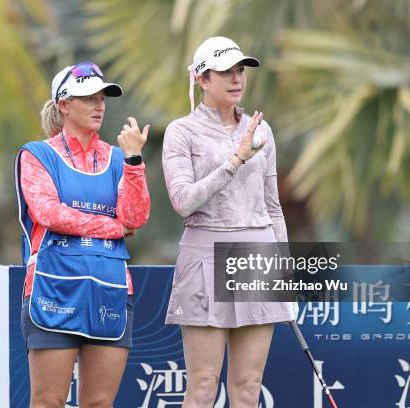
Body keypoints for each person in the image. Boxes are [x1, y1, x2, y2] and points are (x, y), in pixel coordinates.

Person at [162, 37, 296, 407]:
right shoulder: (181, 131)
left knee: (248, 386)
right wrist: (235, 160)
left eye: (241, 71)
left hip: (258, 253)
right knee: (204, 385)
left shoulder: (261, 130)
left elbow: (273, 206)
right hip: (205, 250)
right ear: (202, 79)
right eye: (226, 72)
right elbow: (183, 201)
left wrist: (284, 270)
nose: (237, 79)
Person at [15, 62, 150, 408]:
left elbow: (136, 217)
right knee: (48, 401)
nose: (99, 105)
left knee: (100, 404)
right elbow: (49, 214)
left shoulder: (120, 158)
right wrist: (114, 228)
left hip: (110, 287)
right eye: (88, 98)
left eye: (102, 97)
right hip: (54, 285)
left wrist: (134, 160)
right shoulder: (36, 155)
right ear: (63, 104)